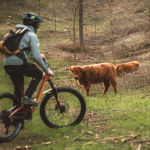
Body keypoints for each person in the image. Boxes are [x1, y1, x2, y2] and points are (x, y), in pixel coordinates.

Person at [3, 12, 54, 106]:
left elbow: (20, 48)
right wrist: (47, 70)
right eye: (37, 25)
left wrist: (39, 54)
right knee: (38, 73)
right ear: (33, 25)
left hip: (7, 64)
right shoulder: (31, 35)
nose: (37, 28)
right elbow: (36, 57)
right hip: (18, 64)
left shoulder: (18, 32)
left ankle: (16, 118)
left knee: (19, 90)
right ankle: (27, 97)